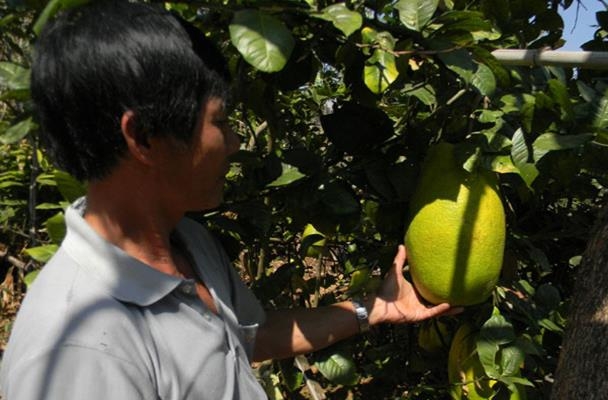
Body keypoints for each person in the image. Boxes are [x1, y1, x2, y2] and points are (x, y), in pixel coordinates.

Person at [0, 1, 461, 398]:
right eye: (221, 122)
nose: (238, 142)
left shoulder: (188, 242)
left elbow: (246, 335)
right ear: (144, 137)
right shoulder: (80, 353)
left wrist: (374, 309)